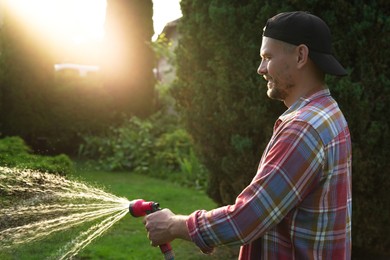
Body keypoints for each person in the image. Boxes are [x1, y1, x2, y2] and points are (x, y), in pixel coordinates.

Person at [144, 11, 352, 259]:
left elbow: (247, 219)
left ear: (300, 56)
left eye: (267, 57)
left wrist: (173, 225)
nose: (260, 68)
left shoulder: (303, 129)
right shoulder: (329, 112)